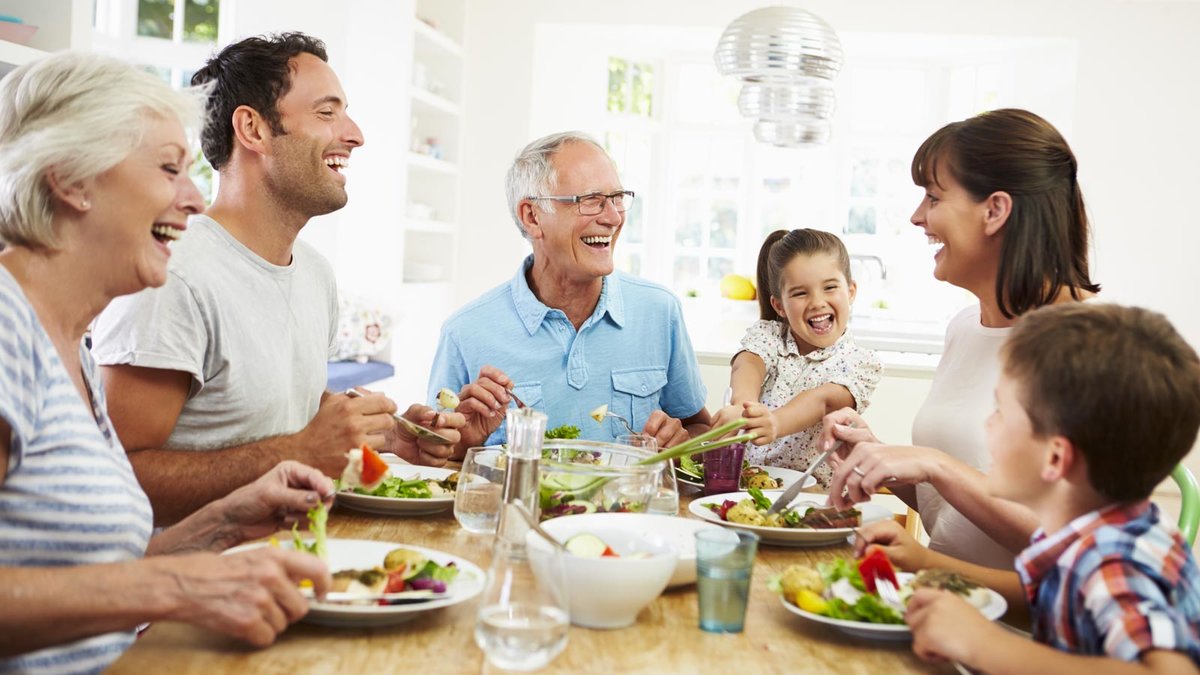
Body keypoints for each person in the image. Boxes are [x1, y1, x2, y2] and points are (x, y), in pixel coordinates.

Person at [0, 51, 335, 674]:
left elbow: (87, 581)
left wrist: (219, 527)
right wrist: (184, 588)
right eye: (167, 169)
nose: (194, 201)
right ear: (71, 179)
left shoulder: (66, 345)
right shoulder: (5, 328)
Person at [90, 32, 463, 525]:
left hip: (293, 561)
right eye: (327, 113)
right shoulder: (172, 275)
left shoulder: (315, 274)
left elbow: (277, 417)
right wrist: (304, 449)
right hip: (195, 582)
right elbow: (118, 478)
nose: (354, 134)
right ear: (253, 129)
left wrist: (386, 437)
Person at [854, 303, 1200, 673]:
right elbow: (1045, 599)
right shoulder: (1093, 533)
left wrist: (983, 644)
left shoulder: (1116, 558)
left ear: (1055, 459)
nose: (987, 424)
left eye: (1000, 411)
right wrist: (927, 564)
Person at [821, 109, 1100, 568]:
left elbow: (1075, 556)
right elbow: (953, 514)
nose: (916, 217)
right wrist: (880, 457)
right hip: (941, 605)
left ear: (994, 210)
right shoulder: (966, 326)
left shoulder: (1091, 346)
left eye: (932, 197)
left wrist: (935, 464)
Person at [427, 131, 711, 456]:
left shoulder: (660, 311)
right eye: (590, 200)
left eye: (617, 197)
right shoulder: (465, 332)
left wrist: (684, 442)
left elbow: (700, 428)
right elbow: (434, 459)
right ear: (532, 216)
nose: (613, 217)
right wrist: (462, 445)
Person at [710, 229, 881, 486]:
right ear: (779, 305)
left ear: (851, 291)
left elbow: (823, 400)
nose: (817, 302)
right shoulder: (770, 335)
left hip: (812, 499)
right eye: (801, 293)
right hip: (747, 490)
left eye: (830, 287)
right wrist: (744, 408)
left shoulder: (860, 362)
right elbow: (748, 363)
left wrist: (774, 423)